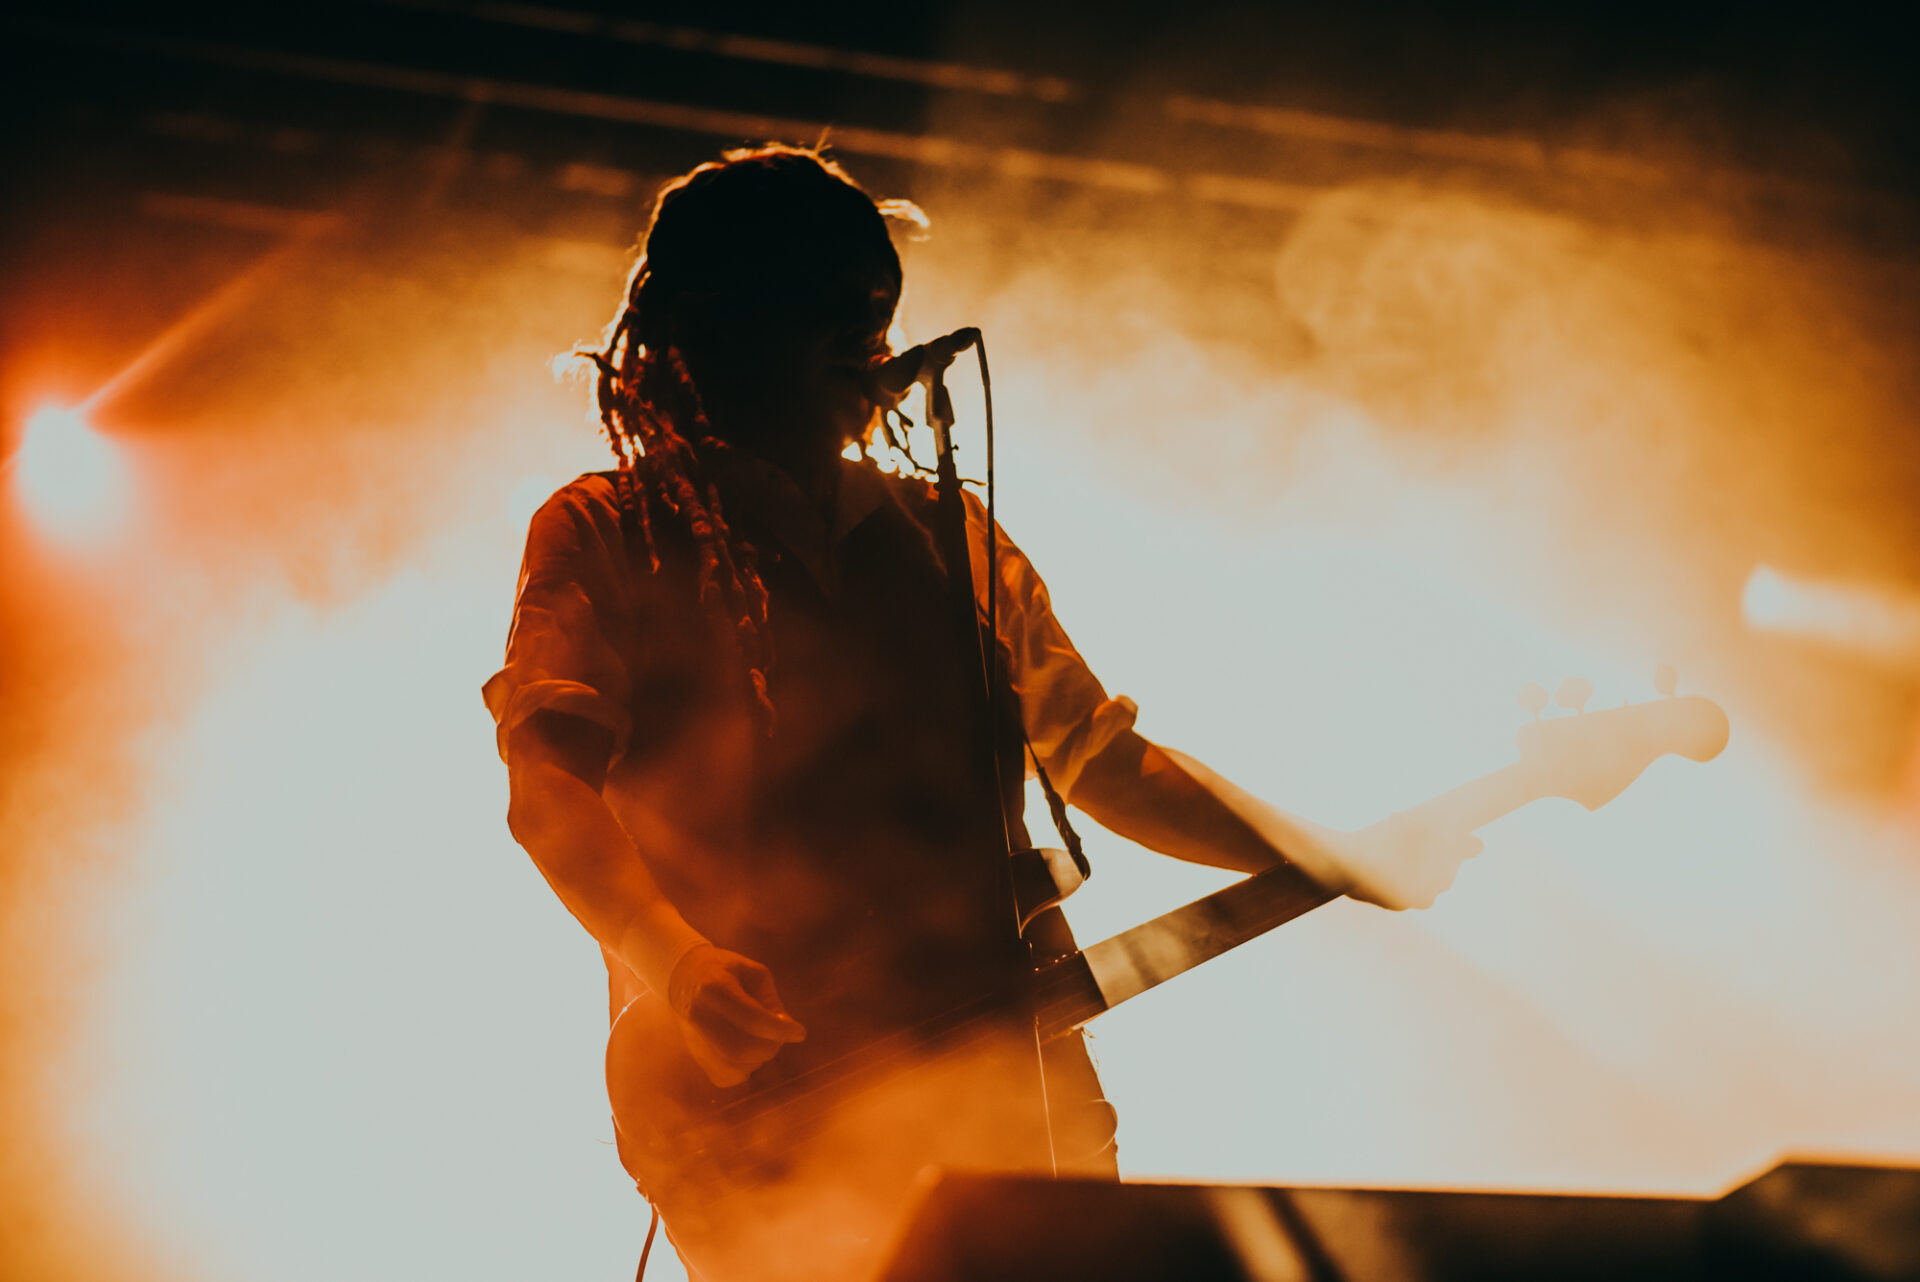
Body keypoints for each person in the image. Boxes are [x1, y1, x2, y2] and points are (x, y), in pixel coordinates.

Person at [483, 144, 1476, 1282]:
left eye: (876, 309)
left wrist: (1329, 853)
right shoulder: (609, 530)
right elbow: (547, 787)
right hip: (760, 1102)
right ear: (727, 320)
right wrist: (677, 961)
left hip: (1010, 1084)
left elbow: (1106, 761)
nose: (866, 339)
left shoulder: (951, 538)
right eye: (827, 304)